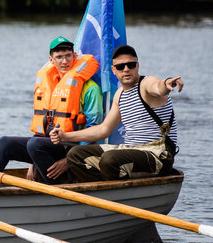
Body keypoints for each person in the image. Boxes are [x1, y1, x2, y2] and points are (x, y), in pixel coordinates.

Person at [0, 36, 103, 184]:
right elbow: (41, 127)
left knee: (35, 144)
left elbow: (94, 132)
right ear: (51, 60)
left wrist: (68, 161)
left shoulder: (91, 89)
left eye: (68, 56)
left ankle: (57, 187)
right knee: (5, 142)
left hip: (75, 151)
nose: (64, 61)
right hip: (46, 147)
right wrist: (33, 163)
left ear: (74, 56)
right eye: (59, 57)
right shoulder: (48, 87)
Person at [50, 44, 181, 182]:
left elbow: (157, 87)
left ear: (137, 66)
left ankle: (114, 191)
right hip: (130, 149)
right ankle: (103, 191)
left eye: (130, 65)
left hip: (158, 155)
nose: (126, 69)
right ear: (113, 70)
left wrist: (166, 83)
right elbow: (103, 130)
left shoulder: (145, 84)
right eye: (120, 67)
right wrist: (65, 136)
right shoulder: (120, 95)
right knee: (75, 154)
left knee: (110, 159)